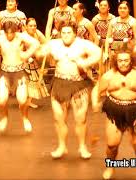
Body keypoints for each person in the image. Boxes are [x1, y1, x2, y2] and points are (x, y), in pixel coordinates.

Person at [37, 22, 101, 159]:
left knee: (80, 118)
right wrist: (41, 53)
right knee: (59, 118)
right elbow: (39, 52)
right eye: (63, 33)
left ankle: (82, 147)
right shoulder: (54, 44)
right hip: (59, 83)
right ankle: (61, 146)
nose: (66, 35)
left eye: (69, 33)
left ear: (75, 33)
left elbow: (98, 52)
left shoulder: (82, 44)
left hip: (78, 83)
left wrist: (86, 63)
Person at [92, 50, 136, 180]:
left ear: (131, 61)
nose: (123, 63)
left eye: (126, 60)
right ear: (116, 62)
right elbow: (96, 89)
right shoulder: (108, 76)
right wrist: (95, 102)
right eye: (120, 61)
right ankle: (110, 166)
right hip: (115, 110)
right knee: (112, 144)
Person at [0, 21, 39, 133]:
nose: (9, 35)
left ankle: (25, 118)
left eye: (12, 33)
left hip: (19, 72)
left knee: (22, 101)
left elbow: (36, 43)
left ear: (16, 31)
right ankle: (4, 117)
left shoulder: (21, 37)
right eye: (7, 33)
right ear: (4, 32)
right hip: (5, 72)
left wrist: (27, 54)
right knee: (1, 101)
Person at [104, 1, 136, 71]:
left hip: (128, 52)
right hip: (114, 52)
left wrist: (131, 46)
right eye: (120, 8)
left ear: (129, 10)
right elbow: (108, 37)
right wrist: (106, 52)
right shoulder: (113, 21)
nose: (122, 10)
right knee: (115, 73)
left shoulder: (133, 21)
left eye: (125, 8)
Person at [24, 18, 49, 108]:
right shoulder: (23, 36)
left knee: (34, 81)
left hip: (34, 60)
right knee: (26, 82)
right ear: (26, 26)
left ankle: (28, 101)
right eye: (30, 25)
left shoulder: (37, 33)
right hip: (24, 61)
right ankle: (24, 100)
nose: (33, 27)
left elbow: (46, 43)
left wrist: (40, 47)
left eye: (35, 25)